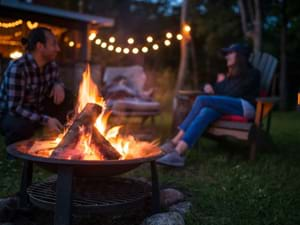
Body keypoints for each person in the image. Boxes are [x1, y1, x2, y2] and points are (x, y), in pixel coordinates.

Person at [157, 43, 260, 167]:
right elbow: (215, 89)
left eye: (230, 53)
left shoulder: (253, 73)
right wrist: (206, 86)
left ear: (240, 56)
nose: (226, 56)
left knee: (202, 100)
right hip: (228, 107)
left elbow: (234, 93)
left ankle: (174, 141)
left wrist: (218, 89)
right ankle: (178, 153)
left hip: (245, 107)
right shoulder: (229, 78)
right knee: (206, 111)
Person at [0, 27, 74, 146]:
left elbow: (57, 80)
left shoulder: (51, 66)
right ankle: (14, 151)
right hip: (12, 114)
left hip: (36, 110)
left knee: (68, 95)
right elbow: (14, 108)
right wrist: (46, 120)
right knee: (22, 126)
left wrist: (58, 84)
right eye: (54, 44)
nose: (58, 49)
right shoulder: (18, 68)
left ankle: (59, 137)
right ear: (40, 46)